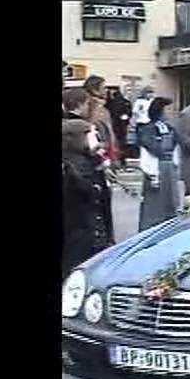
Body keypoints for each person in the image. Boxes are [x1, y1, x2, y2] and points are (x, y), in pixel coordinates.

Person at [61, 119, 114, 279]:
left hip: (95, 235)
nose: (98, 139)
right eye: (92, 135)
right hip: (77, 236)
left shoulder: (92, 163)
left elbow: (103, 202)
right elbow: (88, 192)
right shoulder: (70, 166)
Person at [138, 97, 183, 230]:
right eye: (168, 109)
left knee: (171, 202)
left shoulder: (170, 128)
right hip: (156, 168)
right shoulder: (147, 129)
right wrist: (151, 172)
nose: (170, 112)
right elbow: (148, 149)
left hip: (169, 167)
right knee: (154, 204)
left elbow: (176, 145)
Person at [84, 76, 117, 166]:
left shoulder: (101, 108)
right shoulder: (94, 108)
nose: (106, 90)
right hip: (99, 153)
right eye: (103, 88)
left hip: (102, 151)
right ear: (94, 90)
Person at [105, 89, 132, 168]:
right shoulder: (126, 102)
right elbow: (129, 113)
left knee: (115, 141)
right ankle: (122, 159)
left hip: (114, 124)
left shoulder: (110, 103)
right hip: (122, 125)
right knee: (122, 142)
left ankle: (117, 158)